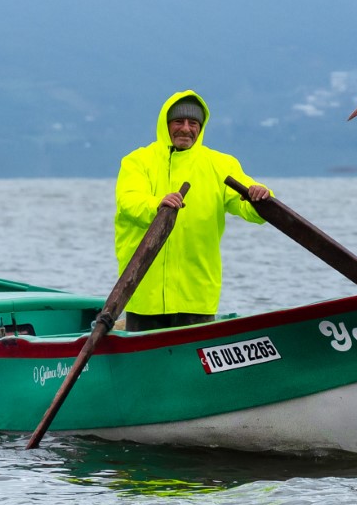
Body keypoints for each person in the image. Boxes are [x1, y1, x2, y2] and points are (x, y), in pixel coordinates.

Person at [114, 89, 272, 332]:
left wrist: (260, 198)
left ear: (201, 127)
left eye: (193, 123)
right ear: (165, 124)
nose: (186, 128)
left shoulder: (221, 164)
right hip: (144, 290)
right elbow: (130, 202)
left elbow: (247, 207)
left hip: (196, 294)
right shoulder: (137, 162)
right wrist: (157, 205)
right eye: (178, 121)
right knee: (146, 360)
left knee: (193, 359)